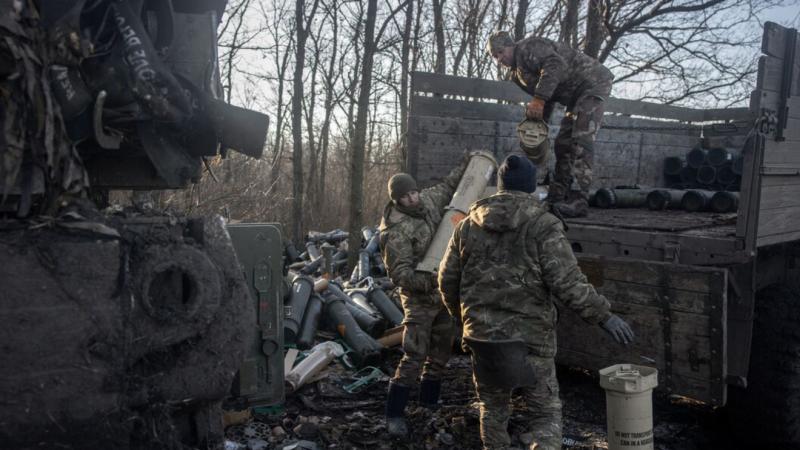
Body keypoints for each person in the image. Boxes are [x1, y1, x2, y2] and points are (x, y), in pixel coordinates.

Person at [438, 155, 634, 450]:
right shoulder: (543, 226)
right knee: (544, 415)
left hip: (482, 339)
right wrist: (605, 317)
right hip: (530, 341)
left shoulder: (467, 225)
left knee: (492, 410)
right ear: (530, 187)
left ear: (500, 185)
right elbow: (568, 283)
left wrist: (464, 317)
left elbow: (446, 279)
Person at [379, 156, 469, 437]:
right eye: (405, 197)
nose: (412, 199)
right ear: (396, 201)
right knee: (414, 355)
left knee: (441, 352)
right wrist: (431, 280)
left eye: (414, 192)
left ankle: (429, 403)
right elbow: (399, 275)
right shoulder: (395, 232)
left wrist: (466, 162)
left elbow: (450, 185)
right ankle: (394, 414)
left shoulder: (428, 200)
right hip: (418, 300)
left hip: (441, 296)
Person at [487, 31, 614, 218]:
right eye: (494, 56)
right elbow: (548, 95)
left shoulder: (528, 48)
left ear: (510, 45)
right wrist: (539, 124)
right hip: (573, 97)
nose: (499, 59)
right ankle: (557, 196)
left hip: (592, 83)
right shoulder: (516, 74)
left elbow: (555, 66)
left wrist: (539, 99)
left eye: (500, 52)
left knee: (581, 139)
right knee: (562, 144)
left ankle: (579, 200)